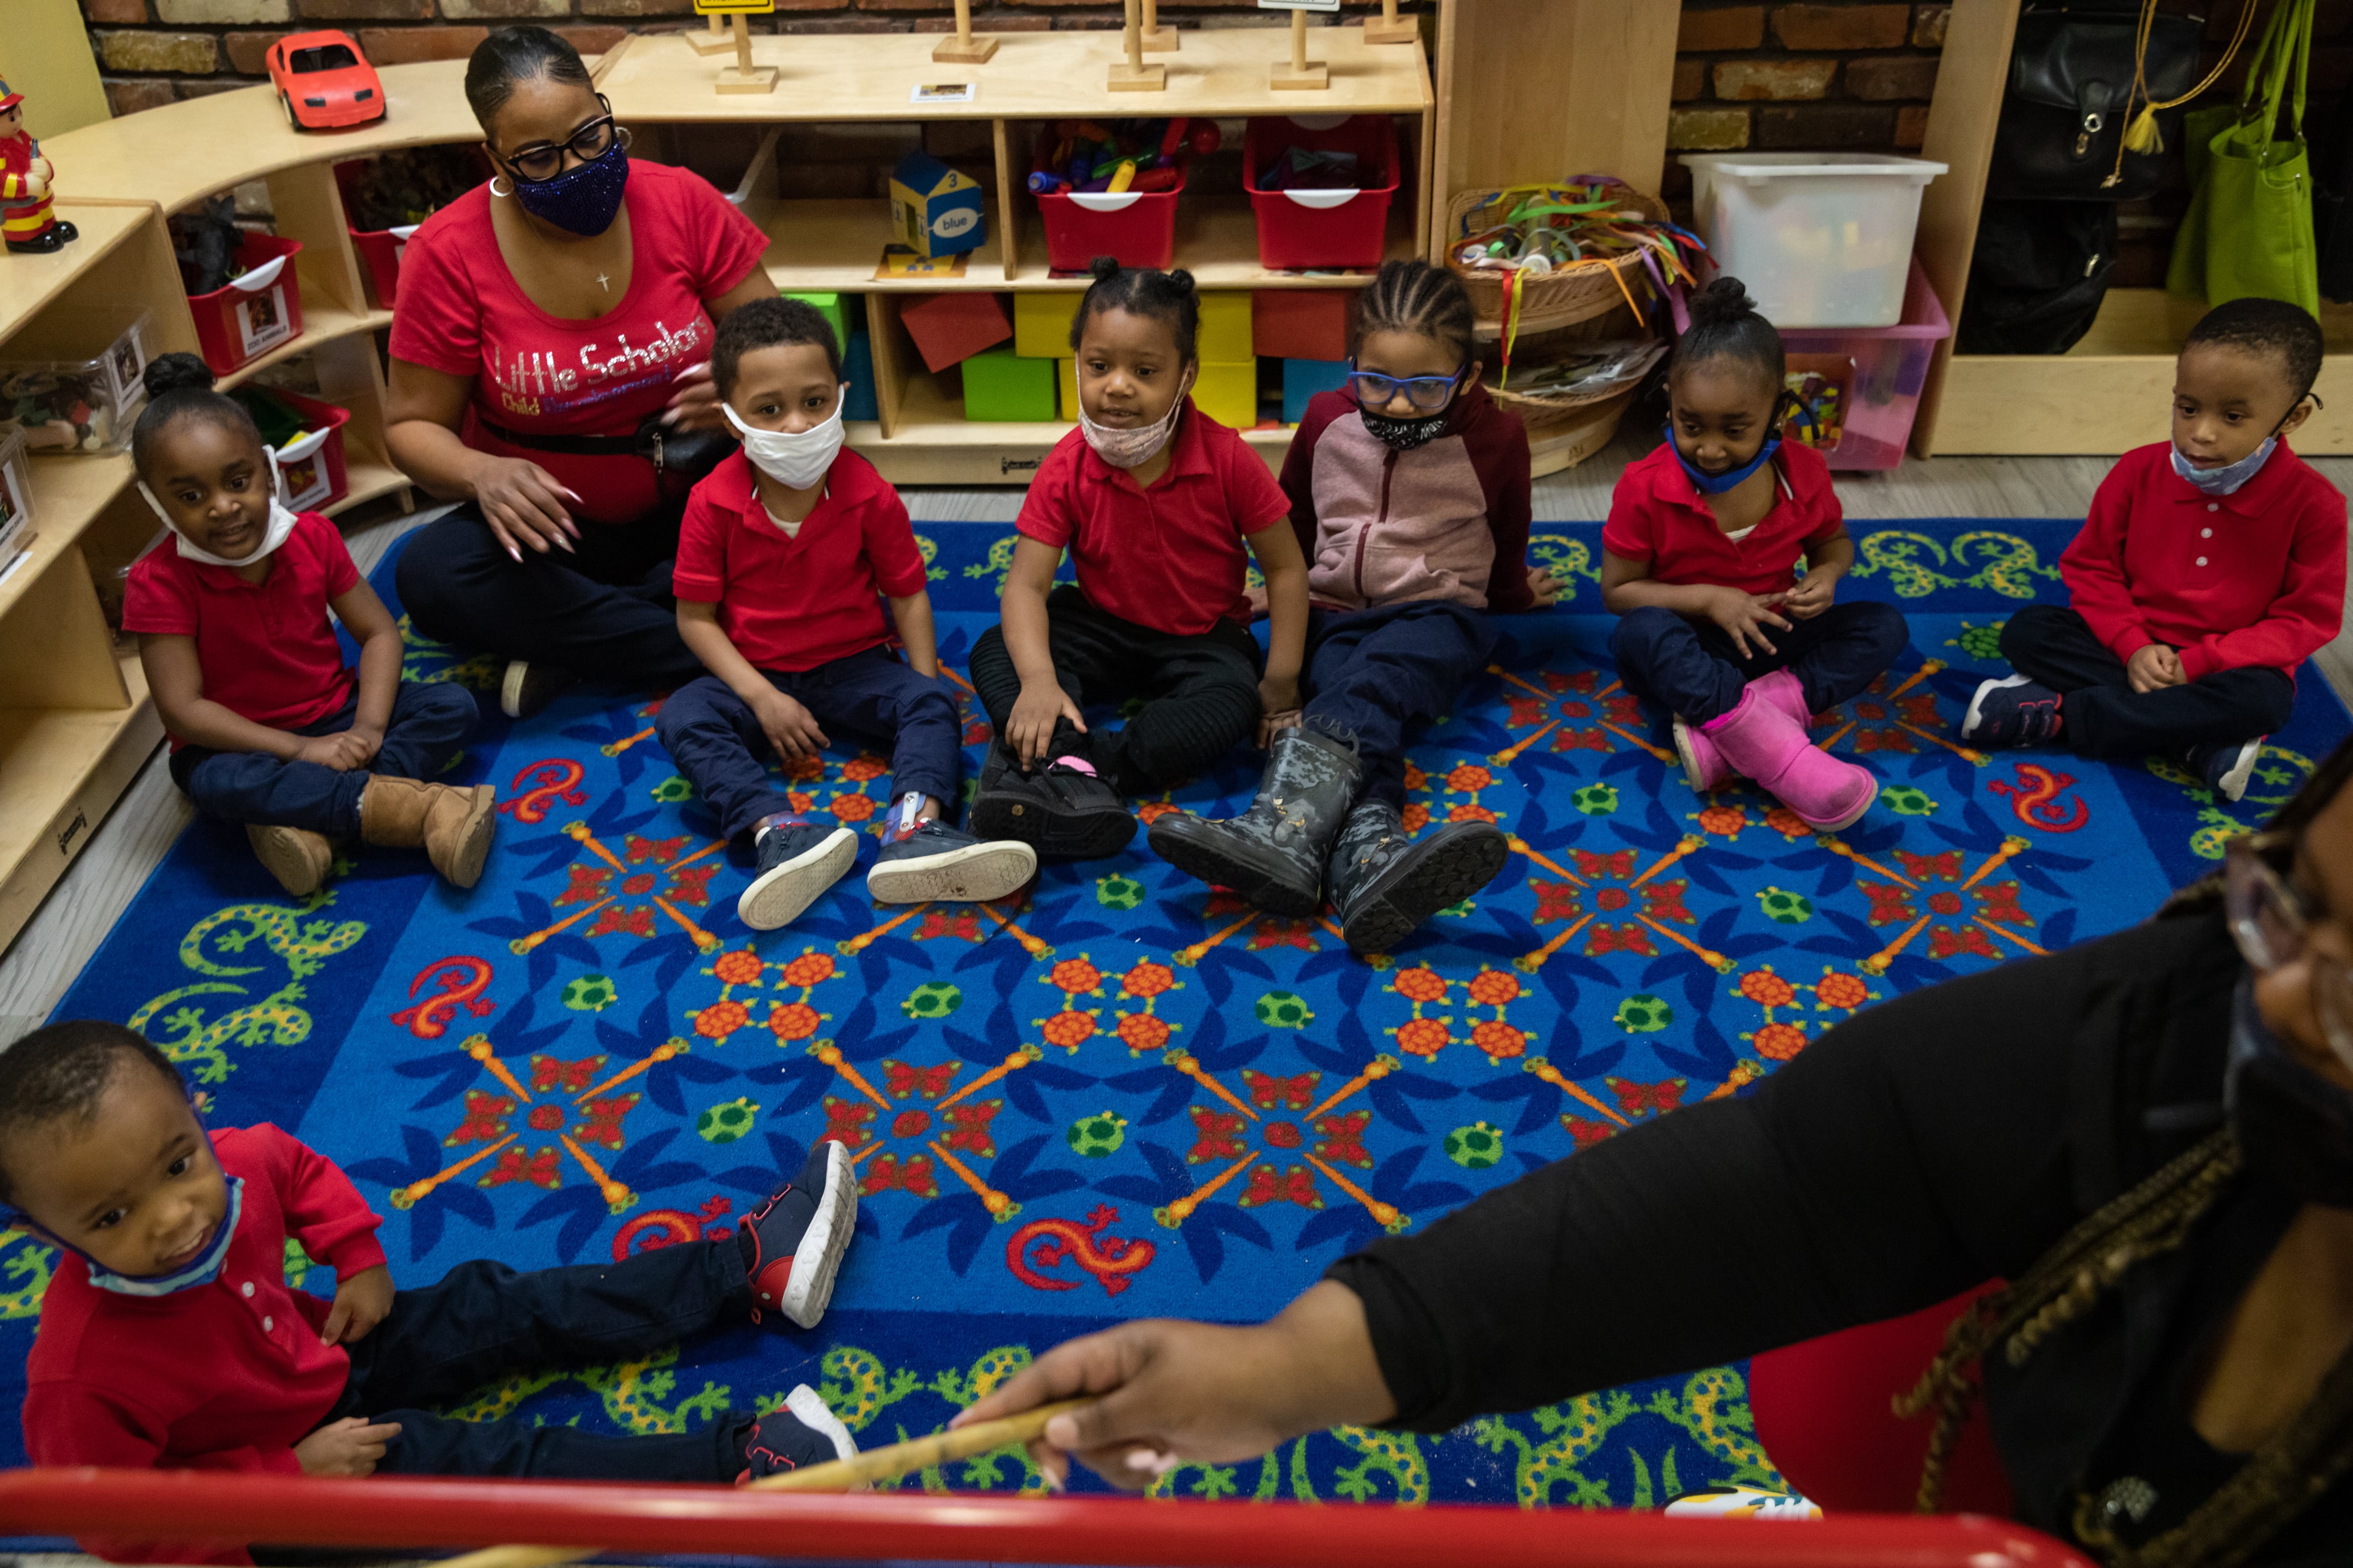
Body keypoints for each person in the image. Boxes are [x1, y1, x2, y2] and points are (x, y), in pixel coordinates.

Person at [962, 737, 2353, 1565]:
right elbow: (1802, 1169)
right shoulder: (2185, 1015)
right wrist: (1281, 1370)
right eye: (2292, 901)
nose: (2285, 991)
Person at [8, 1020, 864, 1566]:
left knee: (499, 1301)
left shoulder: (227, 1159)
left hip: (328, 1354)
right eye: (114, 1213)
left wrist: (355, 1256)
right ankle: (749, 1465)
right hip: (278, 1500)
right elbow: (115, 1519)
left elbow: (287, 1162)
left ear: (194, 1116)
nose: (174, 1217)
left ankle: (746, 1270)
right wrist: (282, 1475)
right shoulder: (80, 1373)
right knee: (492, 1465)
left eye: (177, 1163)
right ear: (47, 1235)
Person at [1147, 260, 1557, 955]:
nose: (1397, 405)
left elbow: (1509, 524)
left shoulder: (1497, 437)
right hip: (1334, 605)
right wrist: (1285, 589)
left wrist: (1512, 592)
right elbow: (1294, 516)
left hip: (1437, 608)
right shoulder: (1325, 419)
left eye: (1425, 387)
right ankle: (1368, 861)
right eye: (1377, 382)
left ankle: (1281, 825)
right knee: (1348, 697)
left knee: (1373, 687)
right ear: (1351, 365)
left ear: (1468, 375)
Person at [385, 27, 777, 720]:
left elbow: (783, 343)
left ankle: (586, 645)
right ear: (495, 160)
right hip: (557, 531)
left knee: (832, 494)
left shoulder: (682, 200)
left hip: (704, 496)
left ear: (604, 106)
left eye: (591, 136)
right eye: (538, 157)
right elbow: (413, 427)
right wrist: (482, 473)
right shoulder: (446, 254)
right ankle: (739, 642)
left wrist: (747, 385)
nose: (576, 166)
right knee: (432, 576)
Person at [654, 298, 1037, 930]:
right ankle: (775, 830)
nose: (799, 425)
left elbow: (908, 592)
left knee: (931, 701)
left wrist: (924, 682)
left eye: (814, 401)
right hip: (759, 675)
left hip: (856, 664)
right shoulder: (710, 503)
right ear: (730, 417)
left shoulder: (868, 493)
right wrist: (760, 695)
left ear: (840, 395)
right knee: (683, 715)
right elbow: (696, 618)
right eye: (769, 410)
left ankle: (914, 827)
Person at [965, 262, 1312, 863]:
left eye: (1145, 371)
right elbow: (1025, 585)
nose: (1117, 386)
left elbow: (1285, 569)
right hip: (1100, 623)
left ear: (1187, 375)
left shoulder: (1229, 458)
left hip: (1202, 638)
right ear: (1077, 362)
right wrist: (1041, 681)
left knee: (1233, 704)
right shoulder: (1066, 464)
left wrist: (1279, 683)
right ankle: (1060, 750)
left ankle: (1077, 766)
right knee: (997, 648)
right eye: (1099, 366)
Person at [121, 355, 492, 899]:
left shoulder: (312, 536)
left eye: (238, 481)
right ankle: (417, 811)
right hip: (239, 746)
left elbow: (379, 634)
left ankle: (316, 824)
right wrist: (297, 752)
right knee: (221, 783)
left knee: (452, 706)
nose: (224, 508)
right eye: (191, 496)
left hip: (334, 712)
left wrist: (366, 727)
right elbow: (184, 711)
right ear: (156, 501)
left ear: (269, 471)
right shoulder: (158, 582)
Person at [1962, 298, 2345, 805]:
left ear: (2291, 417)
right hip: (2126, 645)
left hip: (2228, 665)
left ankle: (2058, 716)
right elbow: (2092, 568)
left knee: (2267, 702)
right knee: (2029, 632)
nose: (2201, 433)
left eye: (2233, 416)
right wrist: (2134, 644)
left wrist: (2202, 662)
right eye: (2188, 408)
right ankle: (2193, 739)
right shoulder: (2137, 472)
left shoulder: (2316, 506)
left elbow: (2304, 621)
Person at [1600, 277, 1907, 832]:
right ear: (1669, 400)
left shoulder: (1804, 472)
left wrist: (1828, 575)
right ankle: (1783, 760)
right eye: (1691, 426)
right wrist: (1713, 601)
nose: (1710, 449)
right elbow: (1619, 592)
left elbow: (1833, 544)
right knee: (1640, 634)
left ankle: (1732, 731)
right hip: (1687, 645)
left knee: (1883, 626)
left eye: (1736, 430)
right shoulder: (1642, 485)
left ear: (1777, 415)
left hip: (1771, 637)